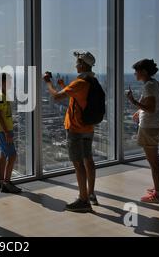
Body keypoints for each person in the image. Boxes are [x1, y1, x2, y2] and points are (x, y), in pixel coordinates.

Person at [43, 51, 99, 212]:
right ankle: (91, 193)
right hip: (88, 127)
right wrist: (63, 86)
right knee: (88, 159)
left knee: (78, 163)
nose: (75, 65)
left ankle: (83, 200)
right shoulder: (92, 81)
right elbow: (79, 100)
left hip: (76, 128)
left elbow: (56, 97)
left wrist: (48, 82)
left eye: (77, 62)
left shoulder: (80, 82)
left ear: (82, 64)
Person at [126, 59, 159, 203]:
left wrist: (134, 102)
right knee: (156, 160)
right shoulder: (155, 83)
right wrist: (139, 111)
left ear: (143, 71)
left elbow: (150, 108)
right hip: (154, 124)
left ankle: (158, 194)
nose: (134, 74)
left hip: (149, 126)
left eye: (136, 71)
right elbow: (153, 106)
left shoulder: (149, 86)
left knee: (153, 161)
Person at [0, 73, 21, 194]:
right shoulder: (0, 96)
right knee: (13, 155)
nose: (11, 82)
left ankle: (0, 181)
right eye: (9, 81)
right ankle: (7, 183)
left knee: (3, 154)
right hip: (3, 131)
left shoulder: (4, 95)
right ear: (2, 82)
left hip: (4, 130)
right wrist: (7, 132)